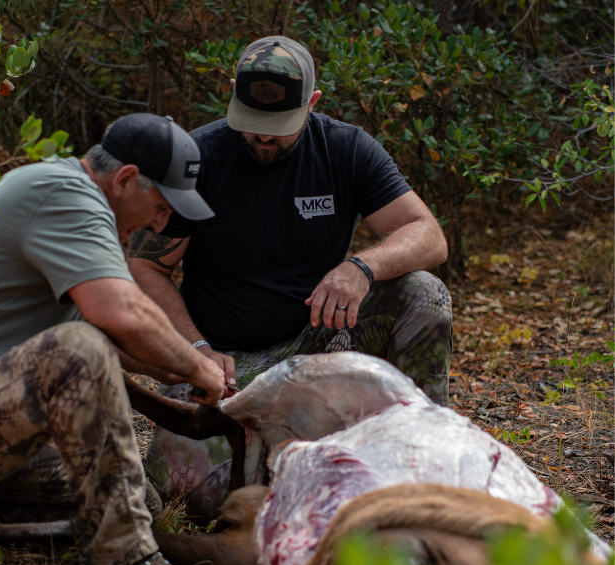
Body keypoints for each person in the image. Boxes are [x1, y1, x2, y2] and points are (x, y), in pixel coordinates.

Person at [128, 37, 453, 519]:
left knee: (424, 294)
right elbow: (145, 266)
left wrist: (361, 268)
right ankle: (297, 452)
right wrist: (196, 351)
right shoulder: (196, 157)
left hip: (321, 342)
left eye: (278, 128)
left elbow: (427, 234)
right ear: (232, 93)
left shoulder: (346, 149)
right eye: (253, 124)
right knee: (189, 493)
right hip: (226, 362)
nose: (263, 137)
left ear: (312, 103)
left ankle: (420, 455)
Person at [0, 113, 225, 565]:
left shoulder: (66, 194)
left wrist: (167, 368)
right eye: (161, 207)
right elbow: (117, 314)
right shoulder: (65, 194)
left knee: (134, 500)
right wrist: (199, 365)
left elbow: (104, 333)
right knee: (78, 353)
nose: (160, 224)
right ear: (126, 178)